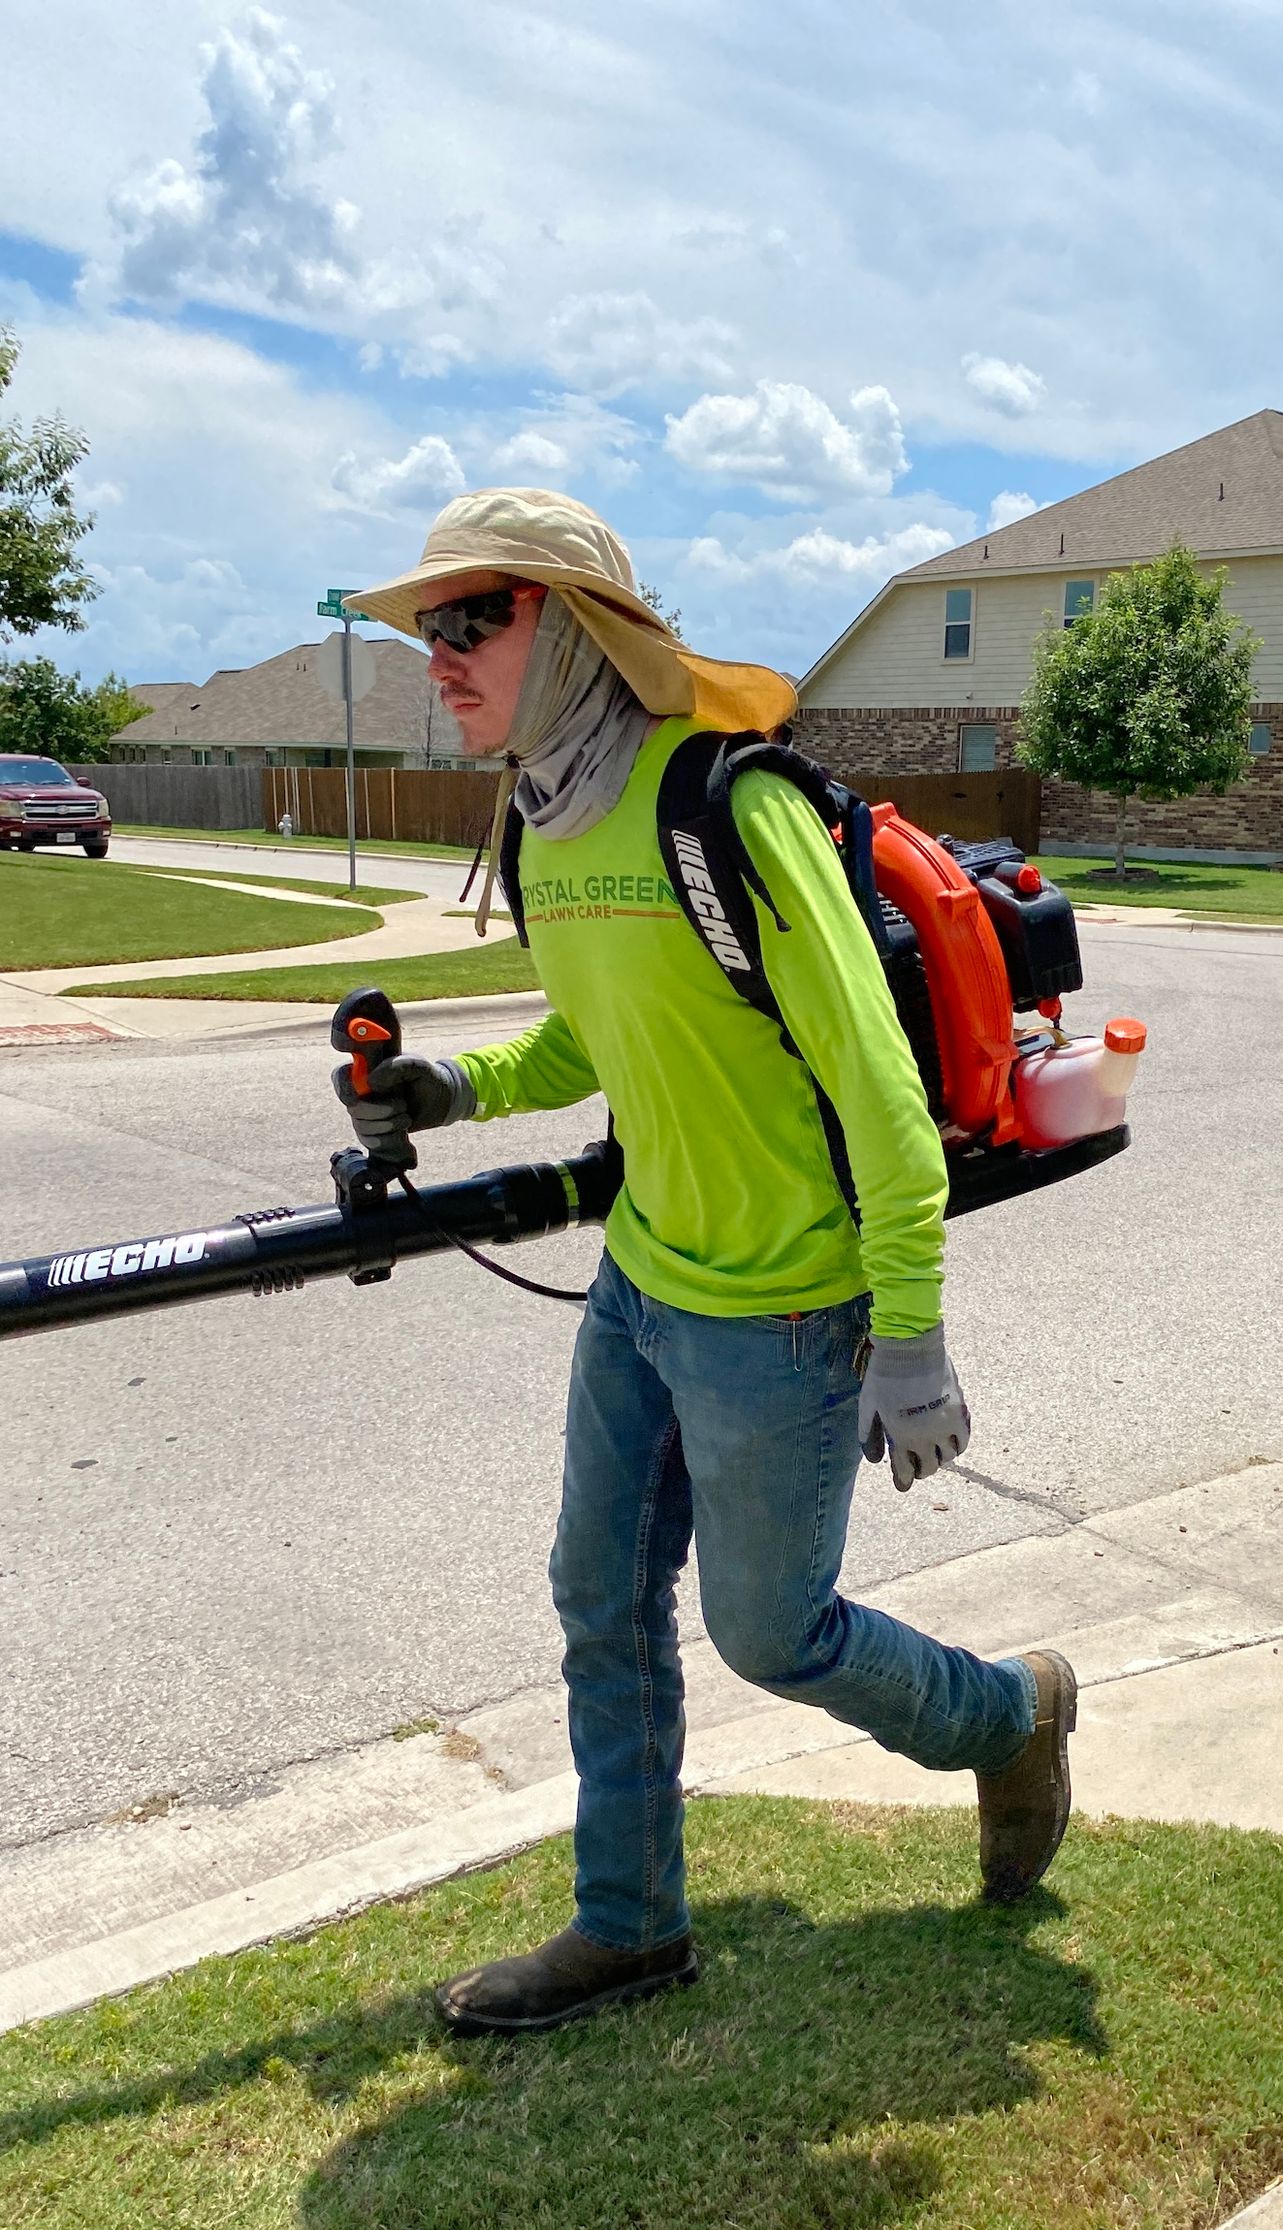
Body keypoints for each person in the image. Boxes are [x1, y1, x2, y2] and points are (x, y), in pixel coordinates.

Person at [338, 489, 1075, 2035]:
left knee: (773, 1636)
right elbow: (597, 1032)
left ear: (578, 627)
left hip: (789, 1313)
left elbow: (877, 1085)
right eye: (426, 629)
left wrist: (915, 1339)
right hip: (643, 1288)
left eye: (473, 619)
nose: (440, 655)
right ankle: (632, 1924)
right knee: (597, 1599)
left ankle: (1010, 1717)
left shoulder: (722, 808)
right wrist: (458, 1088)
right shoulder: (548, 818)